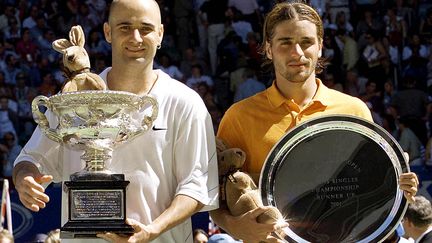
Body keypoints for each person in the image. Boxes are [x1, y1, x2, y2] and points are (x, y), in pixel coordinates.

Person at [210, 2, 419, 243]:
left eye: (306, 42)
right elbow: (215, 195)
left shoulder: (354, 111)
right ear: (268, 49)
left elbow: (367, 188)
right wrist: (235, 227)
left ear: (320, 46)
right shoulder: (239, 116)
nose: (297, 53)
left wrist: (398, 187)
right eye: (285, 42)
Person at [12, 0, 218, 242]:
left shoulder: (185, 102)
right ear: (108, 32)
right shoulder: (73, 100)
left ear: (160, 33)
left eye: (146, 28)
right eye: (124, 27)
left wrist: (151, 231)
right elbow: (30, 159)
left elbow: (196, 187)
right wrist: (25, 178)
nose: (136, 38)